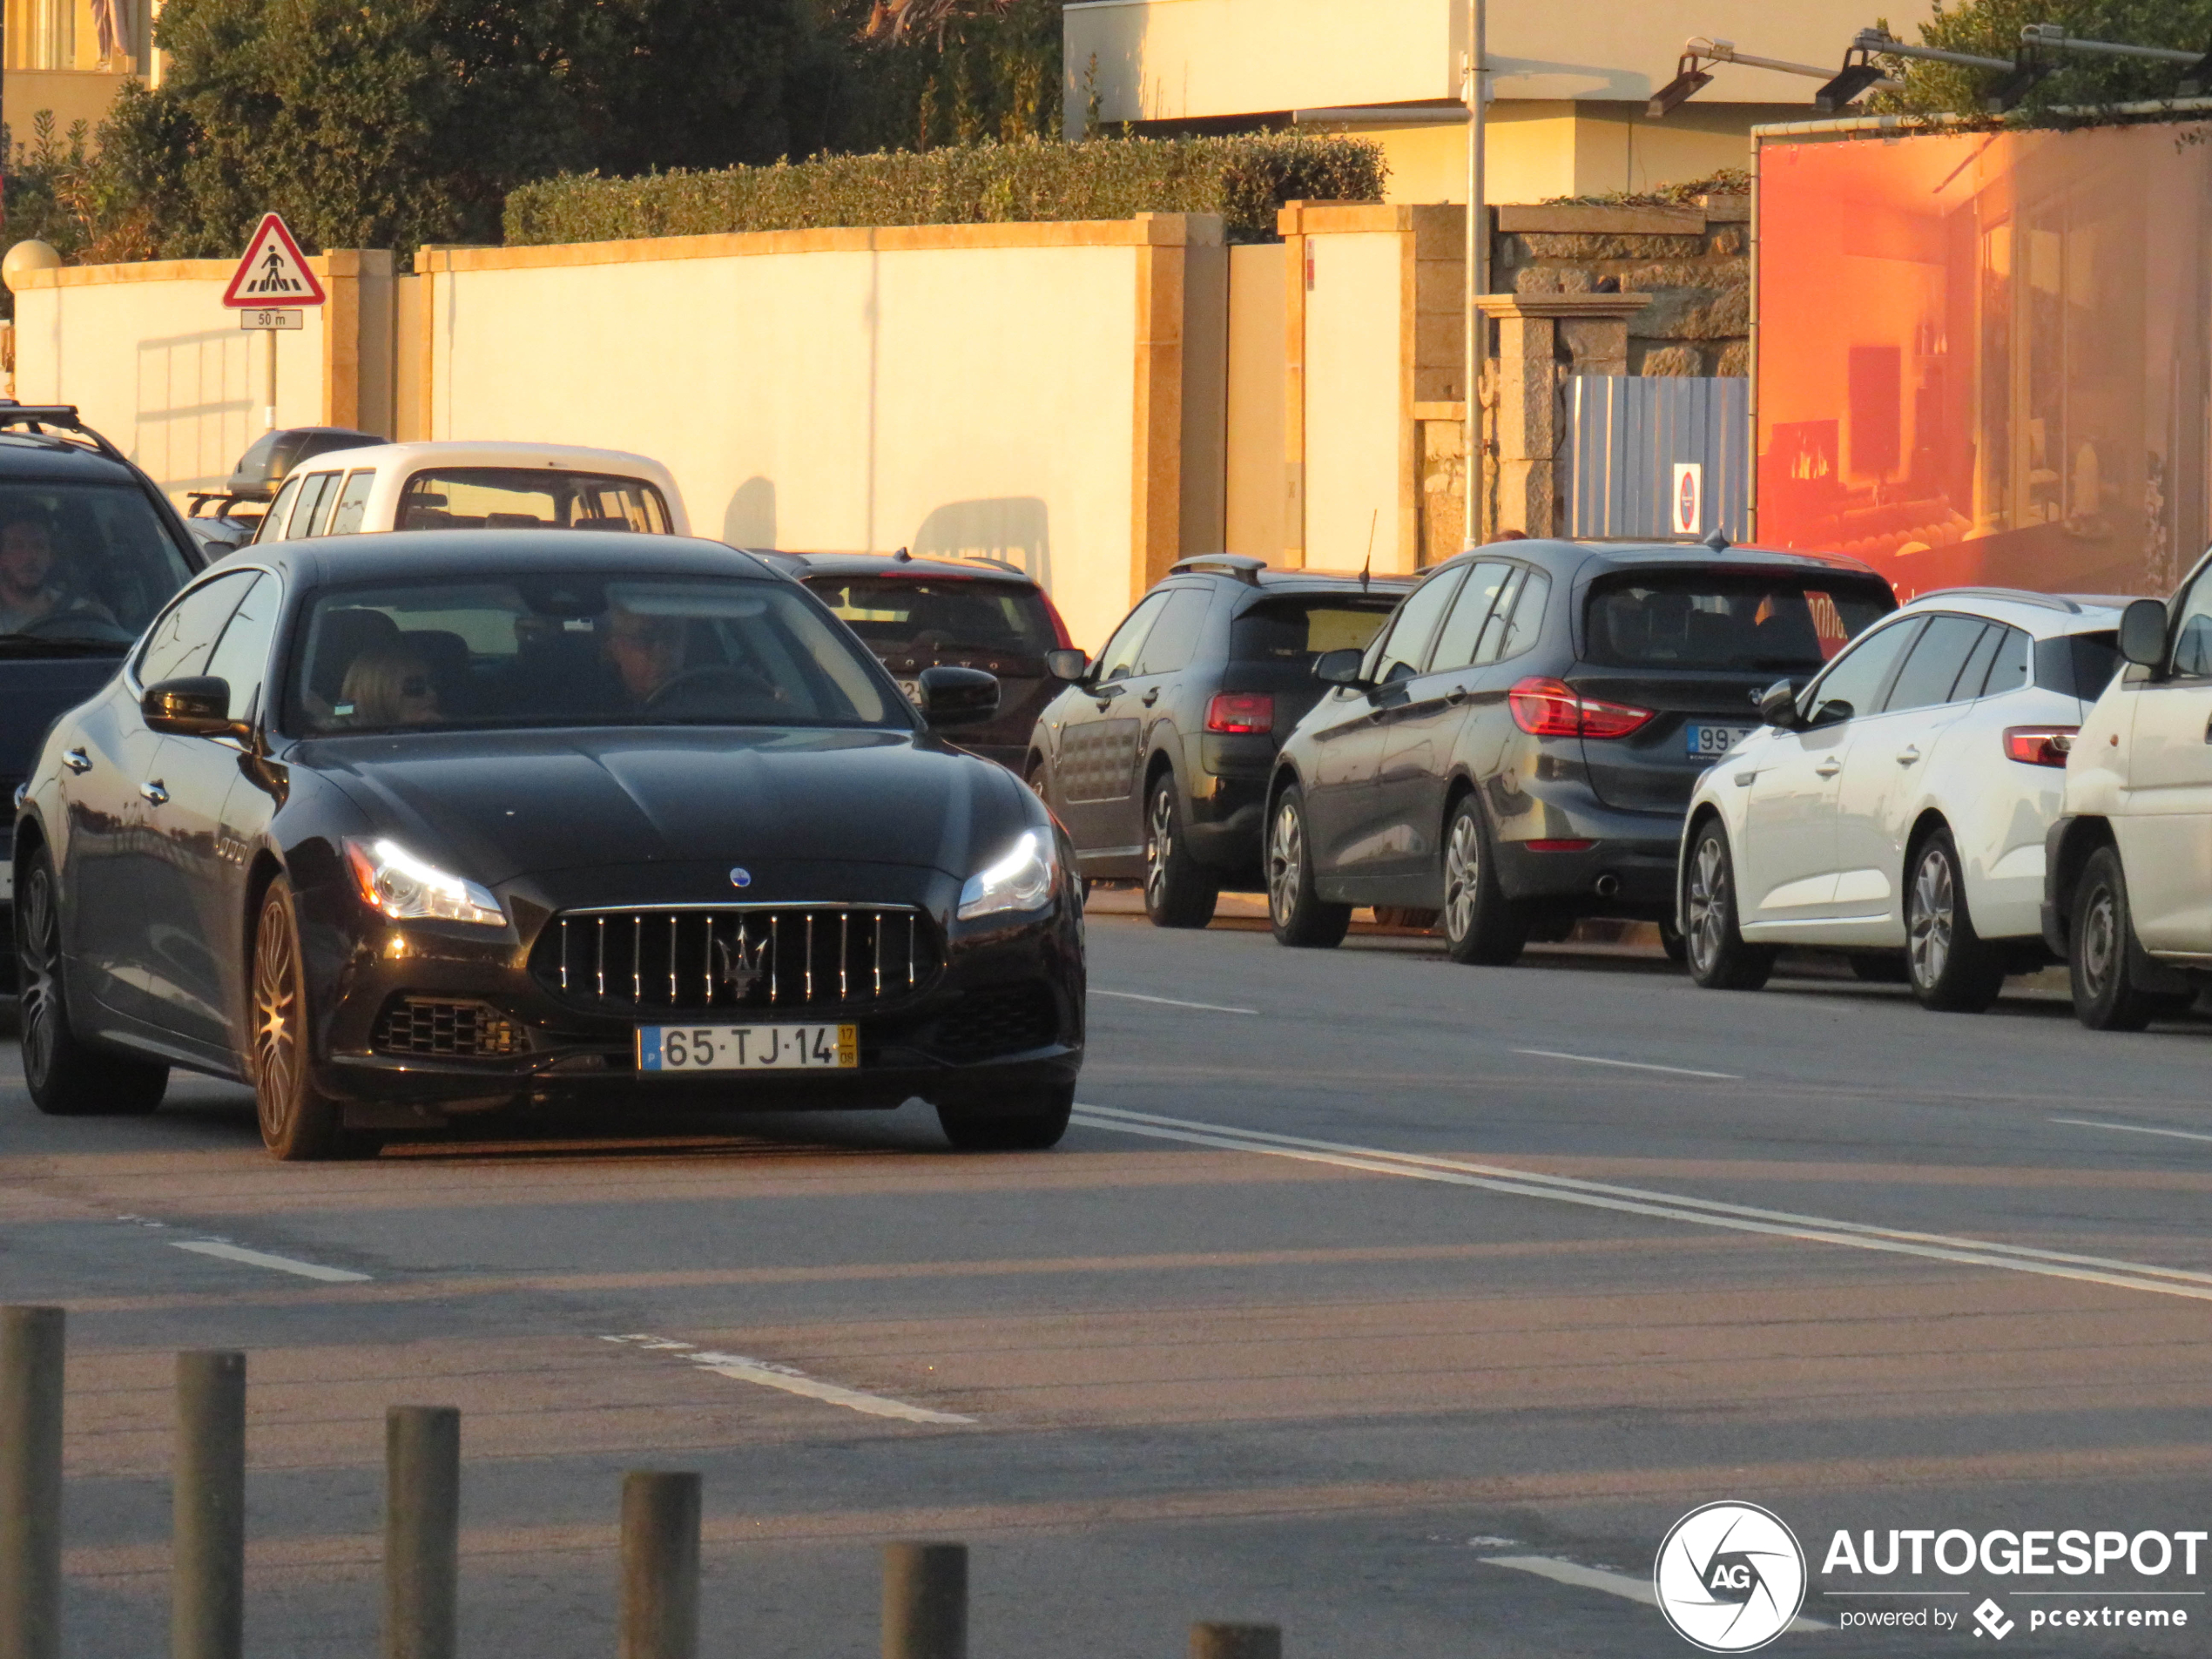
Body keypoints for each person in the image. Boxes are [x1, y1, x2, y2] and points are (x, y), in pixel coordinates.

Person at [0, 510, 111, 634]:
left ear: (51, 557)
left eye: (39, 546)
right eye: (16, 546)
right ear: (2, 557)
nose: (30, 556)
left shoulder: (89, 614)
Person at [601, 604, 687, 706]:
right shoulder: (591, 714)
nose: (661, 651)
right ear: (614, 647)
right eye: (645, 638)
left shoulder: (705, 704)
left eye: (670, 636)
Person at [338, 643, 441, 727]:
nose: (432, 694)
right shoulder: (341, 737)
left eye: (431, 684)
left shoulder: (450, 731)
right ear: (375, 693)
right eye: (415, 686)